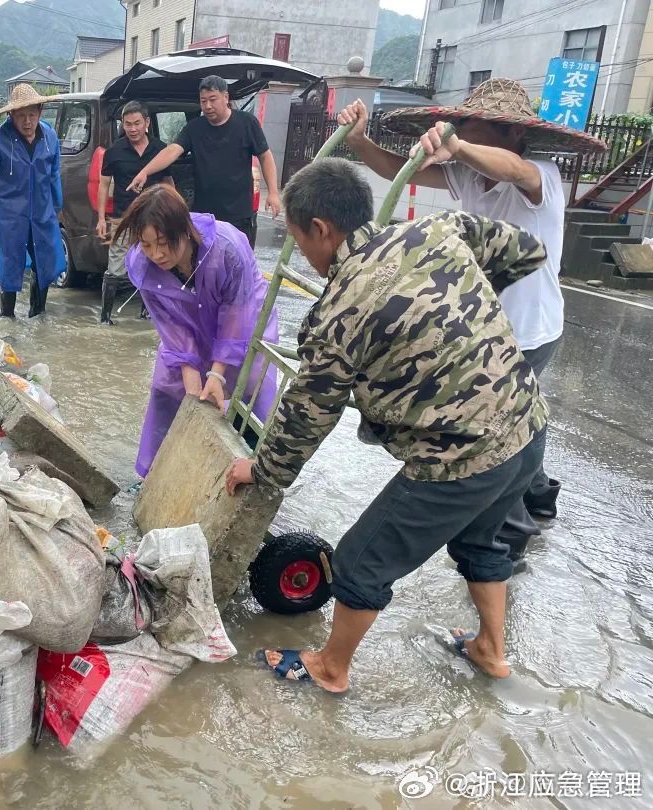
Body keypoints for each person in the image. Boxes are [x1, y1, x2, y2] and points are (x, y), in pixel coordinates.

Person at [225, 159, 549, 693]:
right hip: (528, 425)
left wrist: (261, 471)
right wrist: (453, 312)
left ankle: (331, 668)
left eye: (298, 237)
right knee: (478, 541)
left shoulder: (340, 311)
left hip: (459, 459)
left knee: (359, 562)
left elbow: (307, 414)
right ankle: (491, 651)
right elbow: (524, 251)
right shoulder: (435, 230)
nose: (301, 251)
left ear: (322, 230)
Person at [337, 79, 606, 569]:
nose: (460, 131)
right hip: (488, 328)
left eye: (471, 125)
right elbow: (402, 170)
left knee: (494, 433)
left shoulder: (538, 176)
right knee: (519, 420)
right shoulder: (465, 174)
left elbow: (514, 169)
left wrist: (458, 146)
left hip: (529, 331)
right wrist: (358, 141)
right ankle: (541, 491)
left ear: (510, 133)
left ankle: (510, 533)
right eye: (459, 124)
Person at [114, 184, 278, 478]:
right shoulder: (142, 264)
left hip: (245, 317)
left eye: (163, 242)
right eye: (147, 244)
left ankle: (258, 471)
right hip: (186, 322)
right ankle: (158, 474)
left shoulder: (227, 247)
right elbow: (170, 326)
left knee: (248, 387)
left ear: (185, 230)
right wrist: (192, 383)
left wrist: (215, 374)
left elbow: (236, 314)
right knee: (169, 388)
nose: (156, 254)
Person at [126, 75, 281, 247]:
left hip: (239, 215)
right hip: (205, 217)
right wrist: (145, 172)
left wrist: (273, 193)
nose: (207, 106)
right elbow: (172, 151)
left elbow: (265, 156)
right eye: (203, 101)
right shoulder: (195, 128)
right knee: (205, 265)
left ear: (226, 97)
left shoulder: (246, 123)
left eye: (212, 99)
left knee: (237, 266)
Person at [0, 84, 65, 319]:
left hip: (41, 213)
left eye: (32, 114)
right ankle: (7, 317)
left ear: (40, 112)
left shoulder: (50, 137)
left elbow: (54, 175)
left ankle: (37, 312)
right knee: (10, 264)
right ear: (11, 115)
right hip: (9, 215)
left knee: (46, 261)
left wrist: (58, 207)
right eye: (21, 115)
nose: (27, 121)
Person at [96, 101, 174, 325]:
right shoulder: (114, 151)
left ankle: (147, 312)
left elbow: (168, 182)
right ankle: (105, 317)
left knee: (154, 265)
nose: (132, 129)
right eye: (127, 124)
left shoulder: (160, 150)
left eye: (137, 123)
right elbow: (103, 185)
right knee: (115, 269)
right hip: (123, 218)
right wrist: (102, 219)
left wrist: (174, 213)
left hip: (155, 219)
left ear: (147, 123)